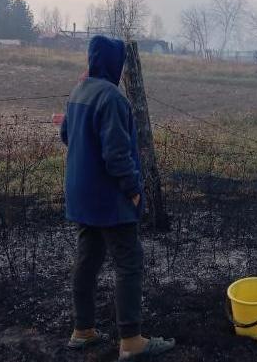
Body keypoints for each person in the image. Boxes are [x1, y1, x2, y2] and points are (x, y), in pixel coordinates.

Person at [61, 36, 175, 360]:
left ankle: (82, 330)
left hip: (81, 194)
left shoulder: (79, 89)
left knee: (88, 257)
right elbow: (117, 155)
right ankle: (132, 341)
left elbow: (65, 135)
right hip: (108, 197)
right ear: (115, 63)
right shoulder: (112, 98)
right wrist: (134, 190)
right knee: (129, 262)